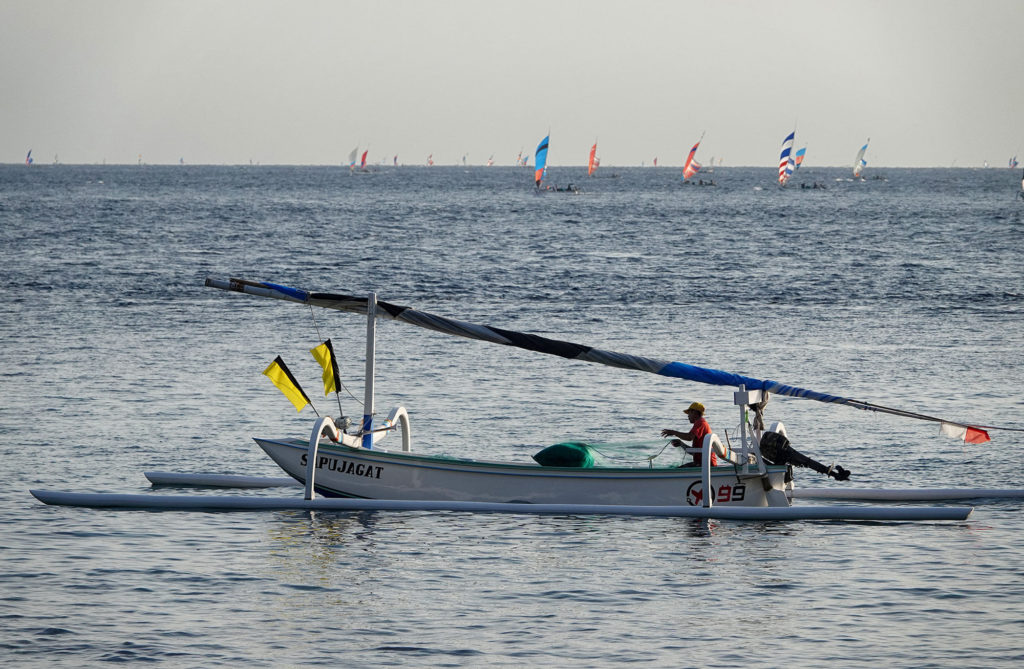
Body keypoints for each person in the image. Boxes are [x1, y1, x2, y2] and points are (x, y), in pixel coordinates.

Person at [661, 402, 718, 467]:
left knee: (677, 471)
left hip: (706, 464)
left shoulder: (700, 423)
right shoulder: (701, 423)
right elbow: (694, 452)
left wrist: (674, 432)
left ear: (695, 413)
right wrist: (681, 444)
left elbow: (689, 437)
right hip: (705, 463)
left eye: (689, 413)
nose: (688, 415)